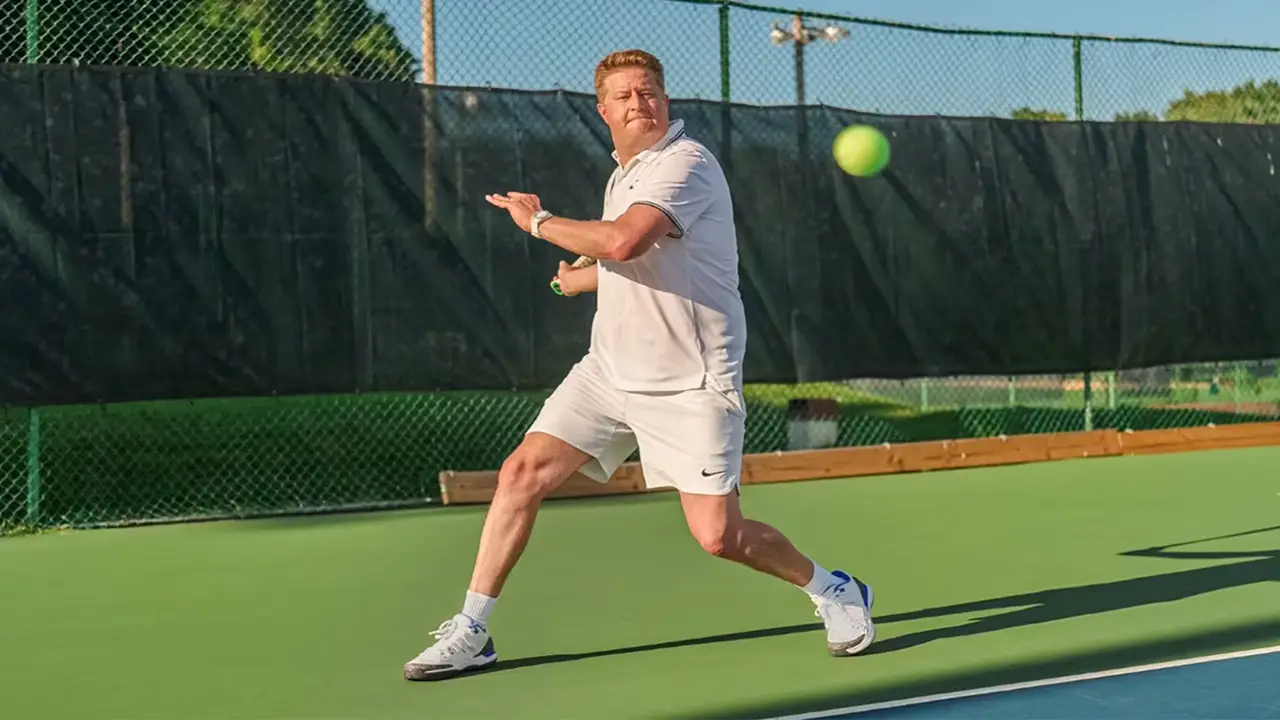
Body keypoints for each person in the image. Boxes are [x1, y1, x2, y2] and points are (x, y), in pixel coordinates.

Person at [403, 49, 874, 682]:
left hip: (690, 384)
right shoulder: (623, 175)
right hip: (609, 371)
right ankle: (472, 628)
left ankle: (833, 589)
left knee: (719, 536)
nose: (638, 103)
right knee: (521, 472)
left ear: (665, 100)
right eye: (623, 96)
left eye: (648, 91)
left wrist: (538, 221)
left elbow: (625, 241)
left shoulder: (686, 163)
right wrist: (579, 281)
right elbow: (643, 263)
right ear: (604, 110)